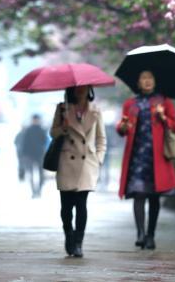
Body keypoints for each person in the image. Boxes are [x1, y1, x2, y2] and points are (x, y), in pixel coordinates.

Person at [117, 70, 175, 250]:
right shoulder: (130, 104)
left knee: (154, 197)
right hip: (137, 157)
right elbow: (122, 128)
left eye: (150, 78)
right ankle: (140, 233)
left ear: (155, 81)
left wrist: (163, 117)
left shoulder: (164, 102)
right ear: (138, 82)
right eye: (143, 78)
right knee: (139, 194)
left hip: (157, 158)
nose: (147, 81)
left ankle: (151, 235)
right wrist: (122, 126)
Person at [50, 85, 106, 258]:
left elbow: (100, 138)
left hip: (87, 163)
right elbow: (53, 133)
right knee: (66, 206)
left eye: (84, 87)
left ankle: (78, 243)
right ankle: (68, 233)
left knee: (81, 204)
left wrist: (99, 158)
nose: (80, 90)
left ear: (89, 88)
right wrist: (64, 128)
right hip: (67, 161)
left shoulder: (96, 111)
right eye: (77, 87)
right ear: (71, 89)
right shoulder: (62, 108)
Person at [20, 114, 48, 198]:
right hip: (31, 155)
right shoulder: (29, 130)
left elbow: (45, 142)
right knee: (31, 174)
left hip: (39, 155)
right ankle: (34, 191)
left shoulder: (41, 130)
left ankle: (38, 190)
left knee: (41, 174)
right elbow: (24, 143)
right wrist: (23, 155)